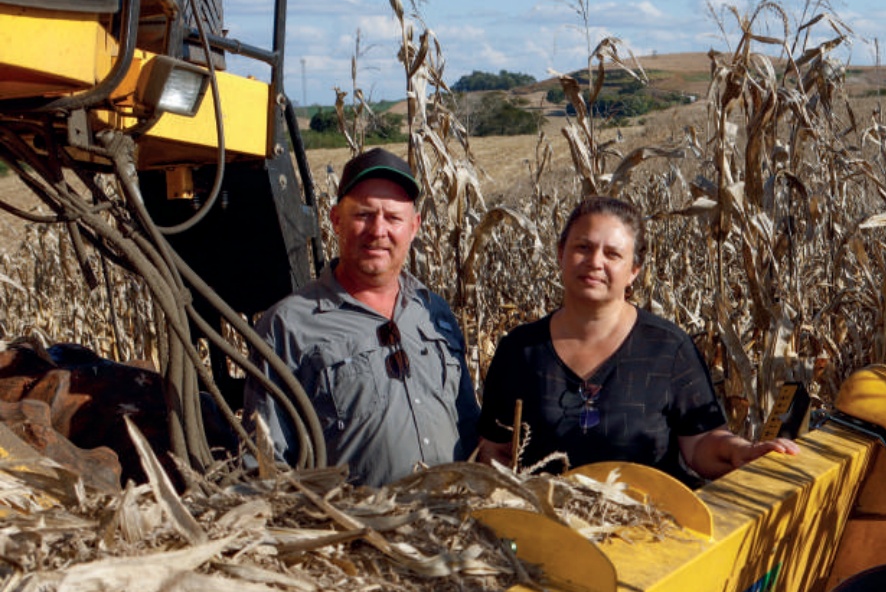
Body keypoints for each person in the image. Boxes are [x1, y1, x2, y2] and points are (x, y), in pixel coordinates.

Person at [475, 195, 796, 483]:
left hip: (649, 533)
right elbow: (497, 450)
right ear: (561, 254)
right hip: (549, 536)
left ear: (633, 270)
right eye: (582, 247)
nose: (595, 262)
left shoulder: (667, 348)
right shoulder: (520, 351)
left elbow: (700, 444)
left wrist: (742, 452)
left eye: (612, 254)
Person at [243, 147, 480, 486]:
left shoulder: (434, 313)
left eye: (393, 218)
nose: (378, 230)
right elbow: (266, 465)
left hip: (451, 526)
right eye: (364, 215)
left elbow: (470, 428)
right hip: (353, 532)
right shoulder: (288, 326)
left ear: (414, 227)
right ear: (336, 219)